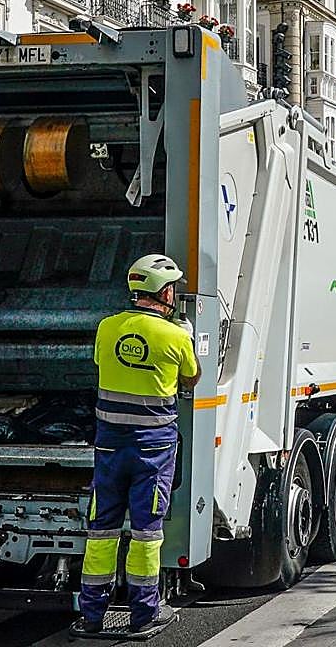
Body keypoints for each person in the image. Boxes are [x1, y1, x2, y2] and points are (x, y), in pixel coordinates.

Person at [79, 254, 200, 634]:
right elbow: (191, 379)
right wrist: (186, 338)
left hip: (109, 448)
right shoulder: (175, 336)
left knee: (102, 530)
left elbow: (102, 364)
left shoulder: (106, 328)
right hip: (152, 450)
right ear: (164, 292)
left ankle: (91, 616)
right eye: (173, 288)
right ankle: (144, 614)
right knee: (146, 532)